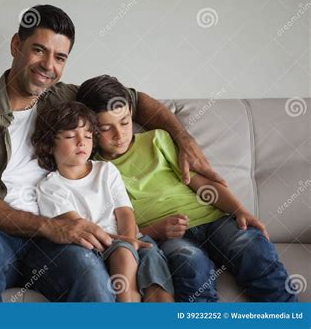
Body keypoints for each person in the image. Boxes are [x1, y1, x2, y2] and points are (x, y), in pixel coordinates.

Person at [0, 4, 226, 302]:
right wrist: (49, 226)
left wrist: (183, 137)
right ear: (16, 45)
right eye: (39, 50)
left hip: (56, 242)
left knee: (89, 269)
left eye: (59, 57)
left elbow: (136, 101)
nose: (48, 65)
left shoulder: (62, 96)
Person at [76, 74, 297, 302]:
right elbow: (117, 227)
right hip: (171, 237)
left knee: (252, 247)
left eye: (124, 122)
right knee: (189, 264)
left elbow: (201, 182)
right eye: (106, 128)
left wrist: (240, 210)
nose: (119, 134)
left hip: (212, 220)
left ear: (131, 112)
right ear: (90, 128)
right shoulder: (95, 171)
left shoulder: (156, 140)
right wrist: (155, 230)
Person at [32, 102, 174, 302]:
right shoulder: (50, 187)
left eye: (88, 135)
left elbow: (124, 212)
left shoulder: (106, 170)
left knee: (152, 260)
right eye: (71, 136)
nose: (81, 142)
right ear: (49, 143)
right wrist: (125, 244)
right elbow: (81, 229)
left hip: (130, 235)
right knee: (123, 253)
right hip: (96, 245)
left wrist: (130, 238)